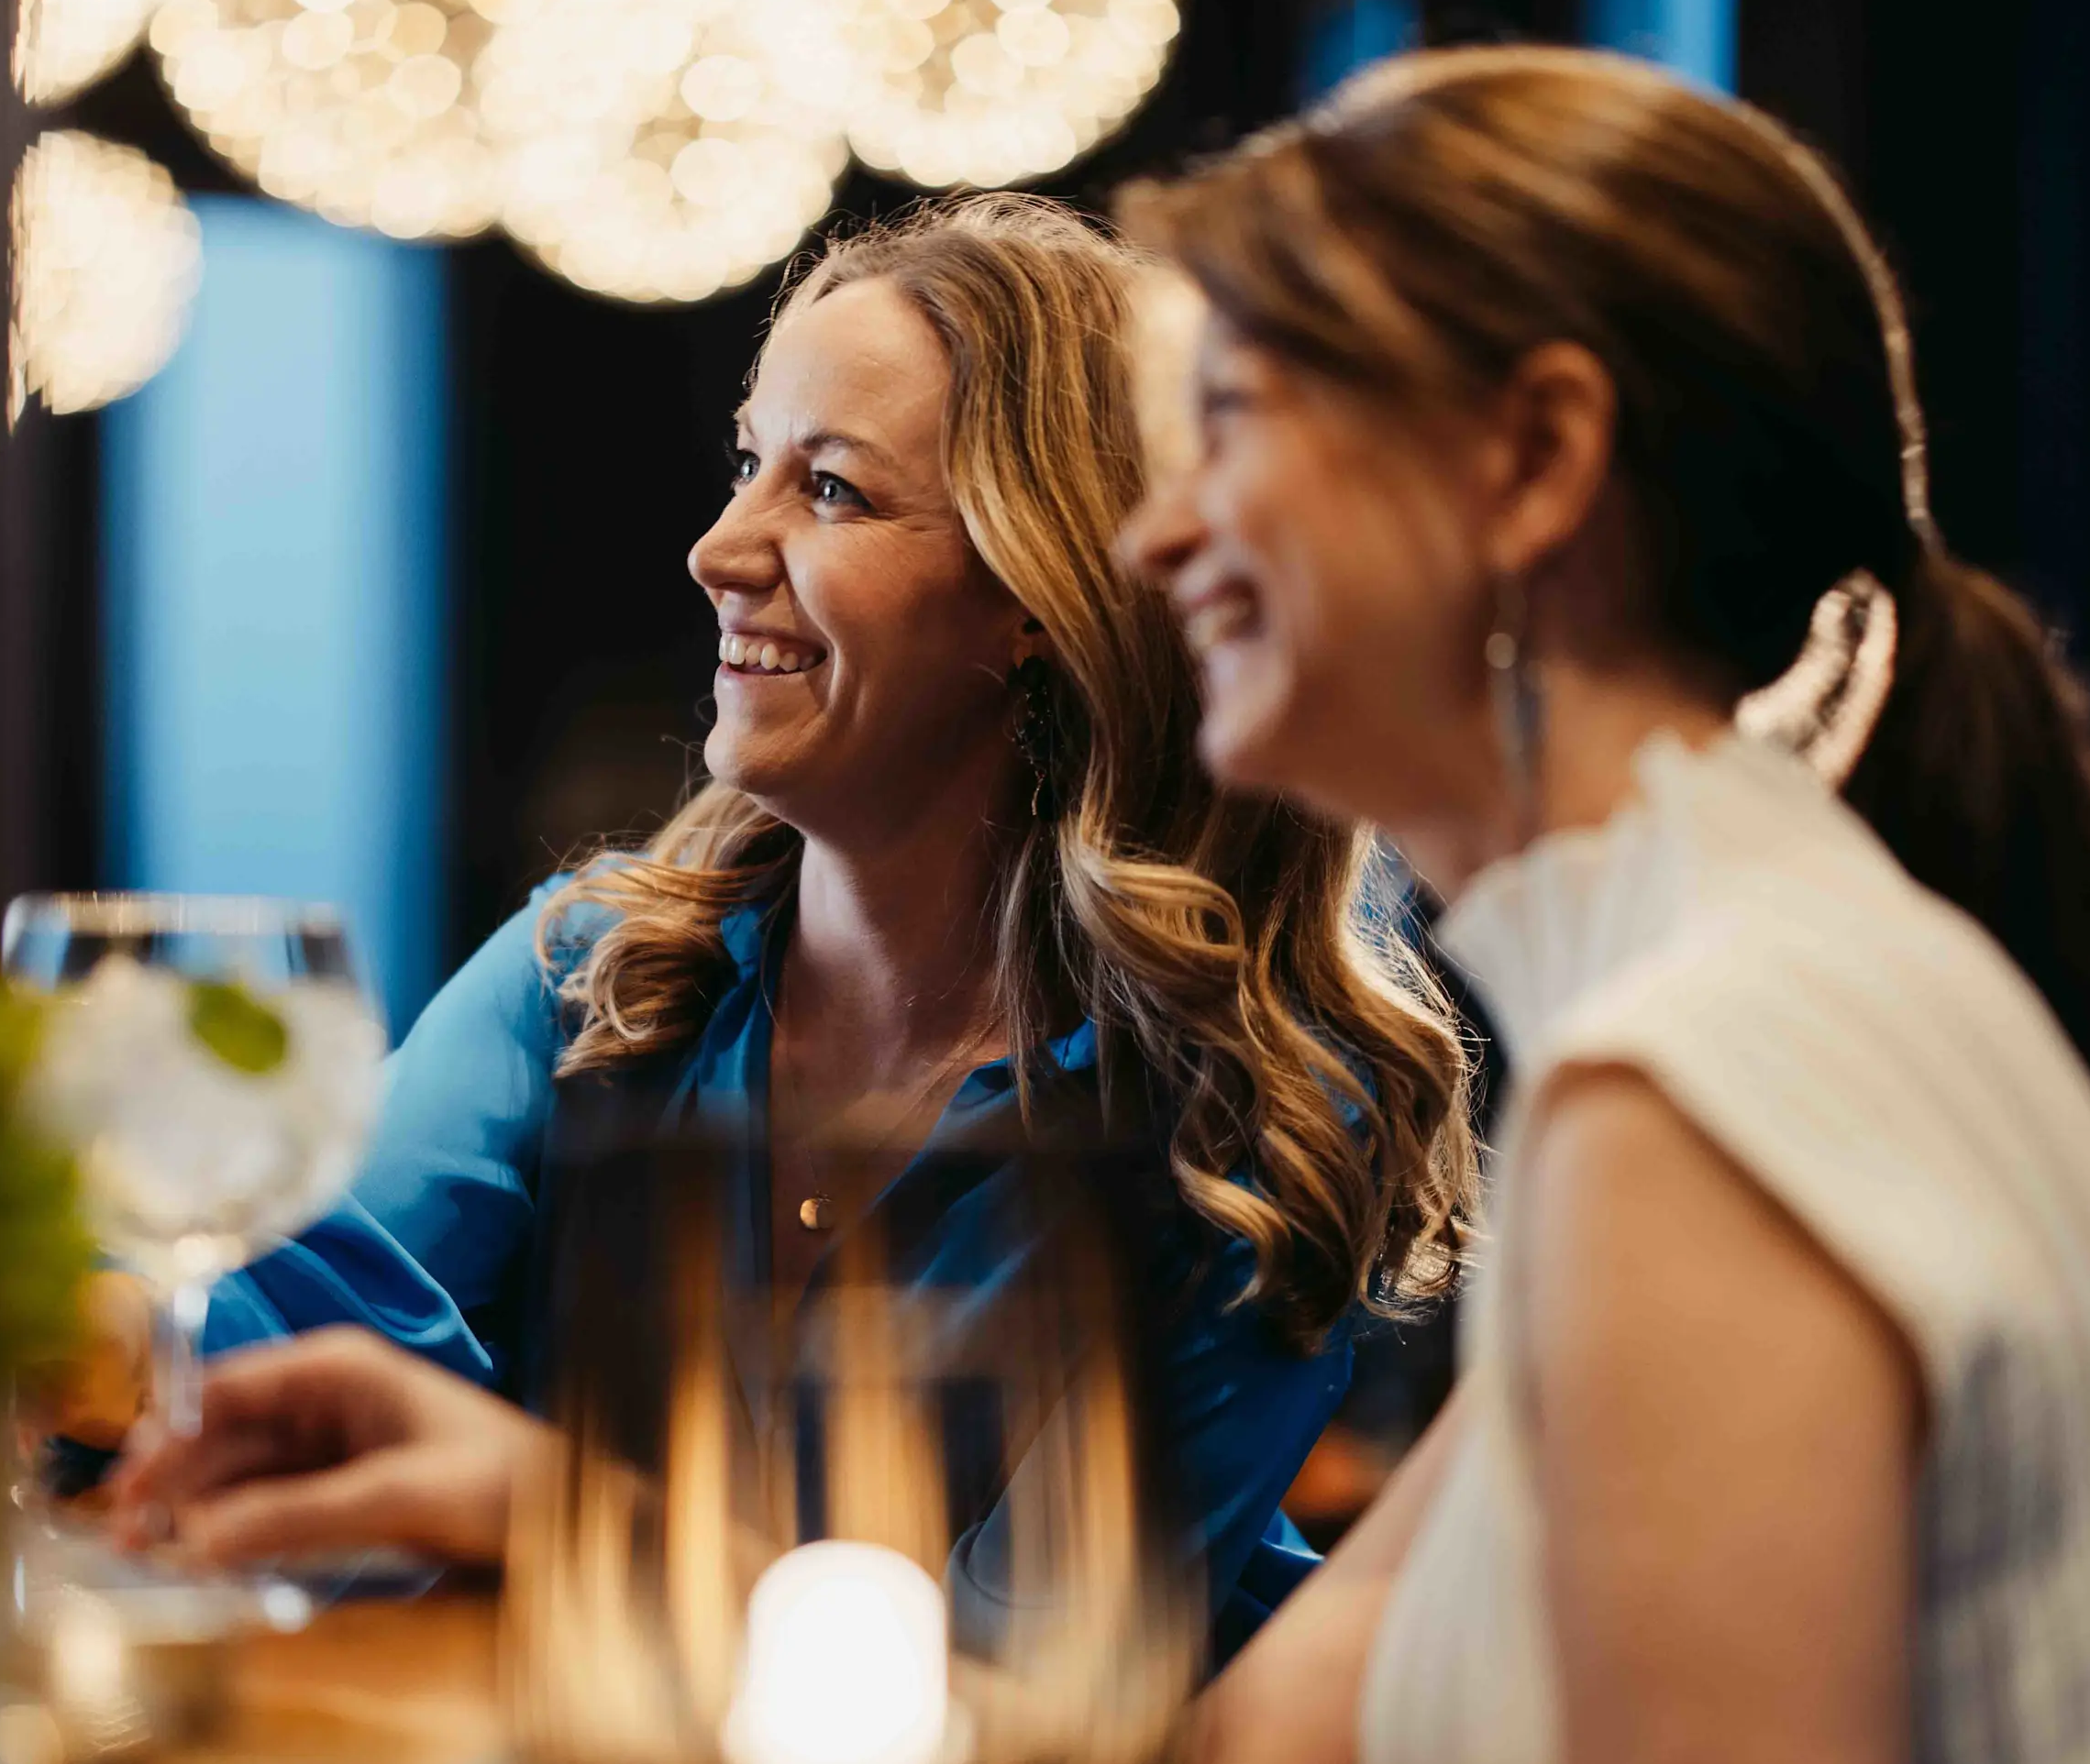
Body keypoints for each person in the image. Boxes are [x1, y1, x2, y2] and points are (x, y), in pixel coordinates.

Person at [1122, 48, 2090, 1764]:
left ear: (1531, 462)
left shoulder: (1695, 1077)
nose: (1163, 529)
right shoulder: (1755, 979)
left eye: (1234, 423)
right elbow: (1268, 1756)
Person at [113, 193, 1477, 1658]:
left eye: (829, 491)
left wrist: (550, 1512)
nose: (717, 547)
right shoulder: (597, 973)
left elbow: (1011, 1695)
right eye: (747, 463)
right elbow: (306, 1351)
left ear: (1040, 593)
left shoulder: (1245, 1139)